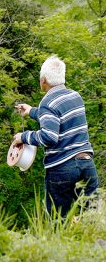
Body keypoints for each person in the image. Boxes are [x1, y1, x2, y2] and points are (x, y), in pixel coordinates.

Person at [14, 55, 98, 217]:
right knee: (91, 216)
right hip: (87, 165)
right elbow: (58, 118)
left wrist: (23, 137)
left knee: (59, 219)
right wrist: (31, 111)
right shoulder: (75, 96)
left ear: (43, 80)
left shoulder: (47, 102)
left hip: (63, 168)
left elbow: (49, 136)